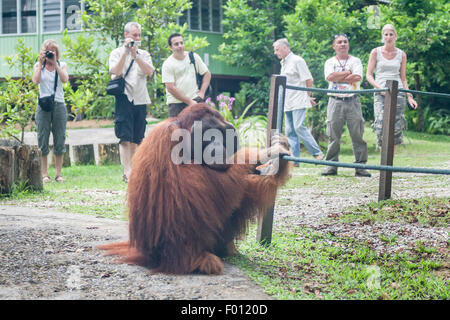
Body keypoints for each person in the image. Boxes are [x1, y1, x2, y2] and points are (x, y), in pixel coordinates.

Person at [109, 22, 154, 182]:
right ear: (126, 35)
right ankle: (127, 171)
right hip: (124, 97)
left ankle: (134, 170)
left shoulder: (144, 54)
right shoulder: (116, 53)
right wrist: (125, 53)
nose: (137, 38)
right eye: (134, 35)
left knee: (137, 136)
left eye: (139, 35)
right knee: (124, 136)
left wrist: (136, 55)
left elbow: (150, 72)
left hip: (140, 98)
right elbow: (115, 71)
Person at [322, 34, 371, 177]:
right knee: (333, 135)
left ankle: (360, 167)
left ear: (348, 45)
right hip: (335, 101)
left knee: (357, 135)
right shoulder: (329, 61)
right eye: (339, 42)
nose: (343, 44)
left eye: (345, 42)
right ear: (334, 46)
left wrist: (339, 76)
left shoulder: (356, 61)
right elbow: (330, 77)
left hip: (353, 100)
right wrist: (348, 73)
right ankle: (331, 166)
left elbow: (357, 77)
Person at [366, 24, 418, 154]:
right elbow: (368, 75)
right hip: (380, 92)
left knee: (396, 126)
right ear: (382, 36)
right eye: (386, 34)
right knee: (381, 124)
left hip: (398, 91)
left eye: (391, 34)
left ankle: (390, 162)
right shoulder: (375, 52)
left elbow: (404, 78)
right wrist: (379, 89)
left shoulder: (401, 54)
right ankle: (384, 160)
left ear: (395, 36)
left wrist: (410, 97)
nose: (388, 37)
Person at [272, 38, 324, 164]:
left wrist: (306, 96)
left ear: (285, 48)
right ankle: (295, 160)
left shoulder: (297, 60)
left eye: (277, 49)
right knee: (290, 131)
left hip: (298, 100)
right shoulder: (283, 63)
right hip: (287, 101)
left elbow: (309, 80)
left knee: (299, 126)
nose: (275, 52)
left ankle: (317, 153)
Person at [32, 39, 69, 183]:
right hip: (42, 105)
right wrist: (41, 63)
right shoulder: (38, 65)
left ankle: (58, 174)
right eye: (48, 50)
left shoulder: (62, 64)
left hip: (59, 104)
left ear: (57, 53)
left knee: (60, 138)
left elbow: (65, 79)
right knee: (43, 137)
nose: (50, 53)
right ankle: (44, 174)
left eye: (53, 50)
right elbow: (35, 81)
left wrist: (55, 63)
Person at [162, 33, 211, 117]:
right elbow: (170, 88)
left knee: (198, 129)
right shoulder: (168, 64)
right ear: (170, 47)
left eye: (181, 43)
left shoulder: (193, 57)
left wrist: (202, 92)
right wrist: (189, 102)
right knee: (178, 129)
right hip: (176, 105)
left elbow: (207, 74)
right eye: (176, 44)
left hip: (195, 100)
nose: (180, 46)